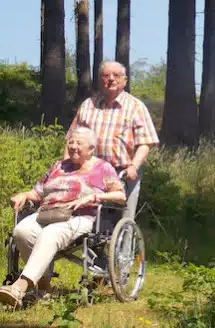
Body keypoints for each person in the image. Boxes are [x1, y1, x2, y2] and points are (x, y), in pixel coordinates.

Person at [0, 127, 126, 308]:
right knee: (21, 231)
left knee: (50, 234)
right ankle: (43, 287)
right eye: (71, 142)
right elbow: (38, 192)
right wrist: (24, 195)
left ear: (91, 149)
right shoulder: (59, 166)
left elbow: (120, 196)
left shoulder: (102, 168)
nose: (73, 146)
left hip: (78, 217)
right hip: (47, 213)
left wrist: (94, 197)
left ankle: (20, 286)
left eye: (79, 143)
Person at [66, 60, 159, 220]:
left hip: (123, 172)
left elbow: (145, 143)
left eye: (116, 75)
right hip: (90, 171)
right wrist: (65, 166)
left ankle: (124, 244)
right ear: (100, 79)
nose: (111, 79)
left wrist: (134, 167)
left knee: (124, 218)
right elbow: (71, 139)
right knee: (89, 218)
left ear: (125, 80)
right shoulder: (88, 105)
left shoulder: (136, 107)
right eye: (106, 75)